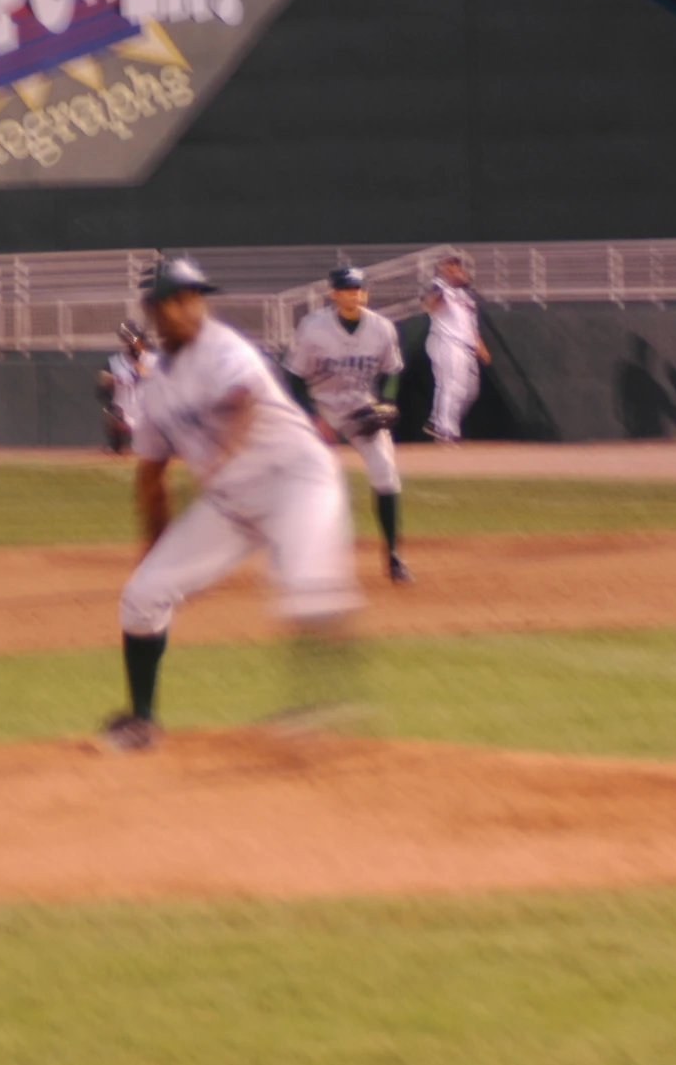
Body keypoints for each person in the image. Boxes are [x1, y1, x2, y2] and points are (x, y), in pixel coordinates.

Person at [102, 258, 360, 753]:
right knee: (142, 597)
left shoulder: (223, 347)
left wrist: (222, 454)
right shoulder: (155, 389)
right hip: (231, 504)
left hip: (295, 482)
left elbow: (241, 397)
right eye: (178, 298)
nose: (190, 306)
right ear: (155, 309)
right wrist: (154, 549)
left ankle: (324, 710)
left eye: (195, 296)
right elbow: (151, 478)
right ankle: (142, 722)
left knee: (306, 587)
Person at [284, 266, 412, 583]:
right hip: (322, 404)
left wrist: (389, 402)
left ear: (364, 293)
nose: (353, 293)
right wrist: (312, 417)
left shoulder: (382, 328)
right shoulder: (313, 328)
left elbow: (393, 369)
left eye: (358, 288)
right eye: (347, 288)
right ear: (334, 294)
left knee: (385, 473)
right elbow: (294, 377)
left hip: (360, 405)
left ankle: (394, 557)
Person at [420, 252, 488, 442]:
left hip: (466, 345)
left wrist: (480, 345)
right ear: (442, 269)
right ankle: (445, 429)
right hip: (445, 340)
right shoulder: (437, 286)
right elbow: (428, 306)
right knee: (451, 385)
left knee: (470, 391)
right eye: (449, 265)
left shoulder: (466, 295)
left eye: (456, 265)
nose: (454, 269)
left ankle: (436, 421)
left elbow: (469, 324)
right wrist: (439, 292)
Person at [97, 321, 153, 454]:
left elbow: (147, 374)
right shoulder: (114, 362)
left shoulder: (154, 359)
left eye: (137, 339)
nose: (135, 343)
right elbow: (102, 382)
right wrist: (110, 379)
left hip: (150, 417)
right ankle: (116, 446)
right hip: (125, 416)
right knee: (111, 414)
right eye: (132, 340)